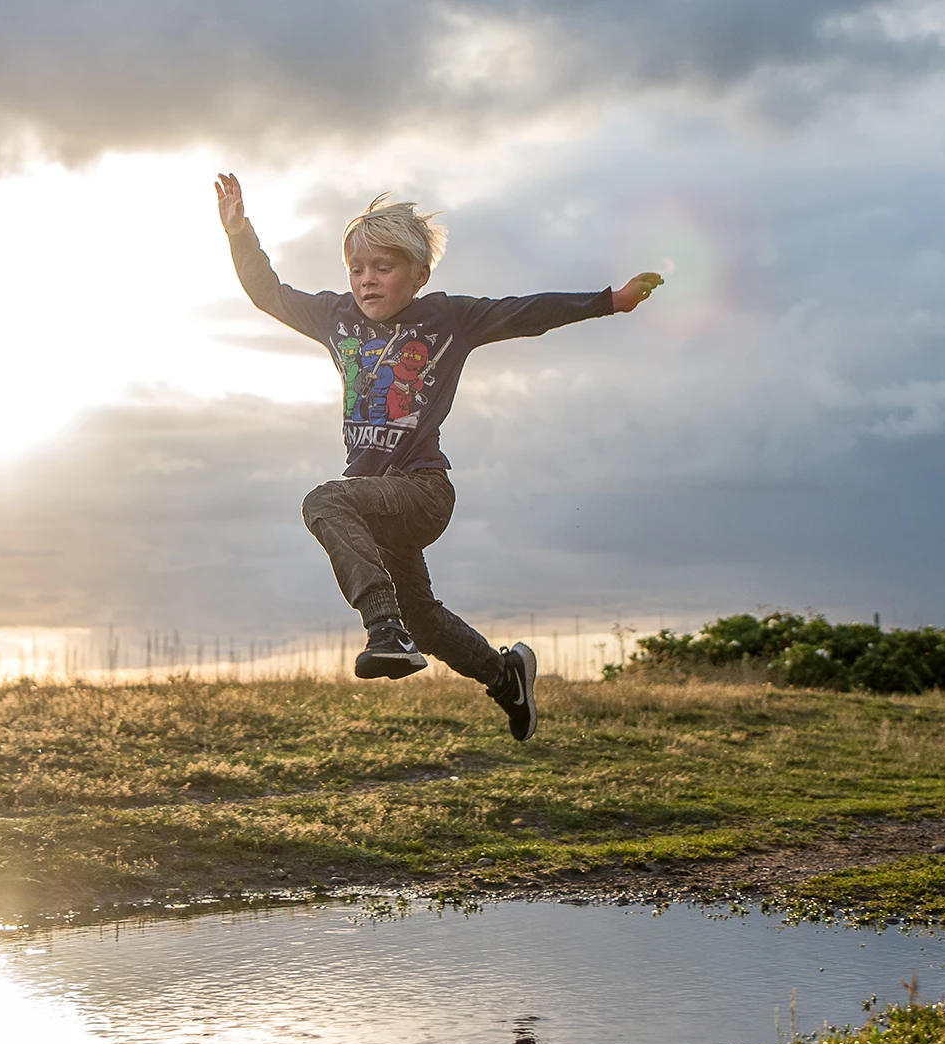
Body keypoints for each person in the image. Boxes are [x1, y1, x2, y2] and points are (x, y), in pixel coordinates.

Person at [215, 174, 662, 740]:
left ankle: (384, 630)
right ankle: (506, 678)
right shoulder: (336, 319)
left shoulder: (447, 319)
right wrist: (239, 233)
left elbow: (525, 311)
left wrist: (609, 302)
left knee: (323, 502)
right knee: (426, 620)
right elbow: (268, 293)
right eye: (357, 269)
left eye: (384, 268)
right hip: (375, 505)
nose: (367, 281)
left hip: (421, 490)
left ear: (418, 275)